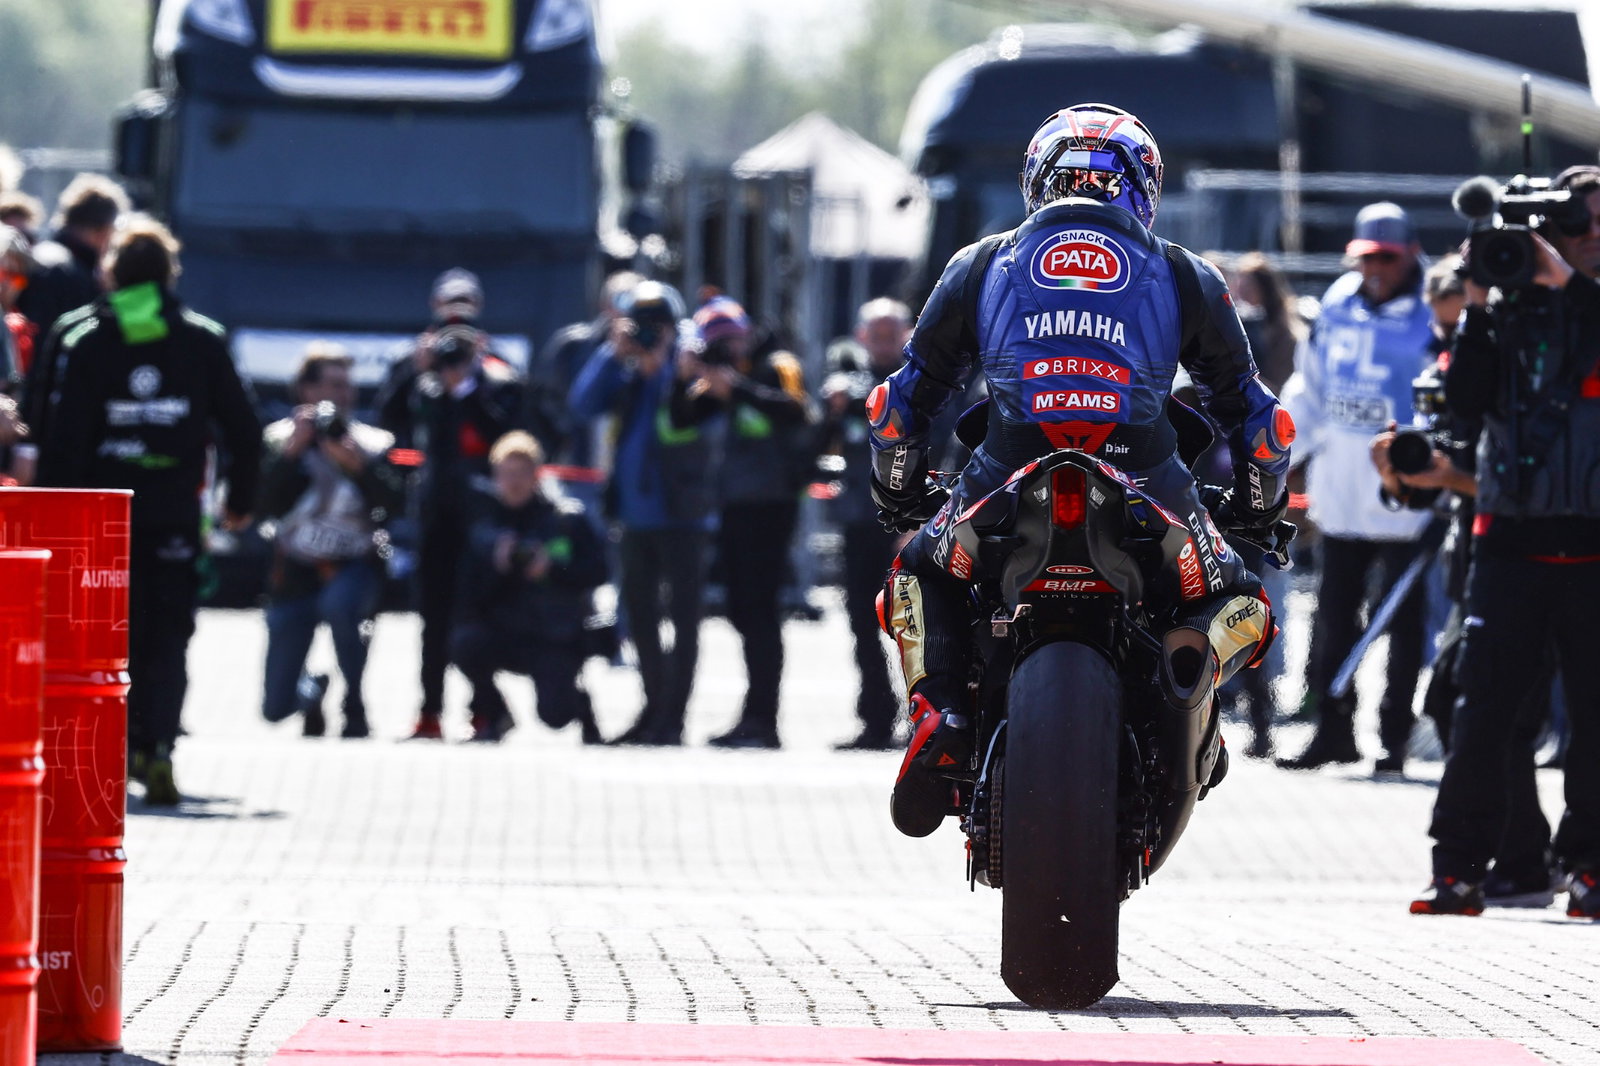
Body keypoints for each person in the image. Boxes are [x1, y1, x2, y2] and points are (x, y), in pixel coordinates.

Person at [869, 104, 1291, 838]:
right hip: (1149, 481)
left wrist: (900, 493)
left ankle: (940, 709)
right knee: (1245, 604)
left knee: (916, 574)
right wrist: (1257, 509)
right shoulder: (1185, 271)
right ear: (1145, 187)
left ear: (1036, 180)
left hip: (1004, 472)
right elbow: (1259, 420)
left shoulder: (979, 262)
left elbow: (899, 406)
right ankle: (1189, 666)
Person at [1411, 165, 1600, 919]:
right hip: (1509, 546)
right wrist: (1482, 306)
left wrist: (1567, 287)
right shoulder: (1505, 310)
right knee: (1480, 712)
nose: (1591, 237)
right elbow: (1464, 403)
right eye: (1579, 225)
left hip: (1594, 548)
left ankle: (1590, 870)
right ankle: (1457, 871)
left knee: (1595, 719)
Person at [36, 216, 260, 805]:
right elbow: (244, 430)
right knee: (169, 634)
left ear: (111, 272)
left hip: (97, 523)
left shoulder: (82, 337)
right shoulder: (202, 339)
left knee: (103, 639)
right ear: (170, 274)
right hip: (172, 516)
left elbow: (57, 437)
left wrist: (53, 521)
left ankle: (109, 748)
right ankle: (158, 745)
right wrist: (240, 503)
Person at [1275, 203, 1435, 774]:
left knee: (1403, 622)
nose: (1375, 269)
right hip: (1342, 489)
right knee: (1333, 614)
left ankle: (1394, 737)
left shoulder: (1433, 308)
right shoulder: (1338, 303)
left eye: (1387, 258)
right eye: (1366, 257)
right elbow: (1311, 387)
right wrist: (1285, 456)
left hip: (1407, 493)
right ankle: (1332, 728)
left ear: (1411, 253)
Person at [569, 280, 723, 746]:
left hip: (685, 515)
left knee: (684, 619)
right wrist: (612, 352)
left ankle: (673, 718)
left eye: (657, 324)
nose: (649, 333)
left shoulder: (690, 360)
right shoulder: (627, 367)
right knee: (639, 616)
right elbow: (582, 404)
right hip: (636, 515)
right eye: (641, 324)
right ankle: (652, 709)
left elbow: (696, 415)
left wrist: (664, 366)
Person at [377, 268, 524, 740]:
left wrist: (469, 385)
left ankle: (485, 710)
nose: (454, 332)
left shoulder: (496, 371)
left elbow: (509, 434)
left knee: (475, 612)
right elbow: (387, 419)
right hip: (434, 511)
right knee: (432, 614)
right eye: (448, 312)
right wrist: (417, 370)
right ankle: (430, 713)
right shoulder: (421, 370)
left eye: (465, 312)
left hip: (480, 512)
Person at [672, 296, 813, 749]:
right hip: (735, 505)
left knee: (760, 609)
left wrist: (738, 388)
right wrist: (684, 377)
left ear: (746, 334)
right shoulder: (719, 379)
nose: (728, 350)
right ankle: (752, 716)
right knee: (740, 609)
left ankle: (764, 721)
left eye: (731, 340)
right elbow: (681, 418)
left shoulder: (776, 365)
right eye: (717, 344)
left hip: (773, 504)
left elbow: (796, 410)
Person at [258, 342, 404, 739]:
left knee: (340, 605)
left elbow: (396, 505)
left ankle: (354, 704)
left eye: (346, 385)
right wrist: (291, 454)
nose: (343, 394)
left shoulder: (372, 442)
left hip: (353, 565)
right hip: (295, 571)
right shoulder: (278, 439)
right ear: (306, 389)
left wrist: (360, 468)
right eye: (333, 384)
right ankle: (311, 692)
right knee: (274, 709)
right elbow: (262, 505)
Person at [451, 431, 607, 743]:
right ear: (495, 476)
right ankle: (495, 712)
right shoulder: (486, 526)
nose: (514, 482)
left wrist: (553, 569)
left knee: (556, 717)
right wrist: (498, 566)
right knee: (464, 644)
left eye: (522, 473)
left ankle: (580, 706)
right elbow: (466, 596)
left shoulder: (565, 519)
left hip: (554, 636)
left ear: (537, 475)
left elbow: (599, 571)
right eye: (507, 474)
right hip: (506, 631)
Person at [822, 297, 913, 750]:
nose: (882, 343)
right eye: (875, 335)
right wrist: (833, 407)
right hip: (860, 520)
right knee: (861, 621)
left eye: (890, 335)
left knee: (913, 627)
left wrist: (917, 521)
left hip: (906, 524)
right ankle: (876, 719)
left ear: (906, 335)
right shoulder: (848, 386)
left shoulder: (921, 381)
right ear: (861, 337)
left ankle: (923, 719)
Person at [16, 175, 128, 446]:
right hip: (36, 426)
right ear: (104, 231)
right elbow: (43, 359)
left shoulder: (43, 258)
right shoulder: (67, 275)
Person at [532, 270, 641, 471]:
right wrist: (568, 434)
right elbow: (546, 400)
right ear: (605, 306)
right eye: (622, 299)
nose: (628, 310)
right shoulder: (572, 347)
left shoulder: (653, 350)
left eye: (637, 301)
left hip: (632, 463)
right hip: (581, 463)